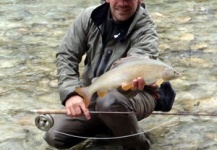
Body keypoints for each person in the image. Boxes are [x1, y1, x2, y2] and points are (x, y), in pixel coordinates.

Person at [44, 0, 176, 149]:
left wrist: (130, 85)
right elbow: (66, 56)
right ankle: (112, 126)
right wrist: (71, 93)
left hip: (138, 93)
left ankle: (140, 145)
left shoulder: (146, 31)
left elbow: (135, 66)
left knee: (109, 102)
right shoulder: (89, 17)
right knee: (54, 136)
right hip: (96, 92)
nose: (123, 3)